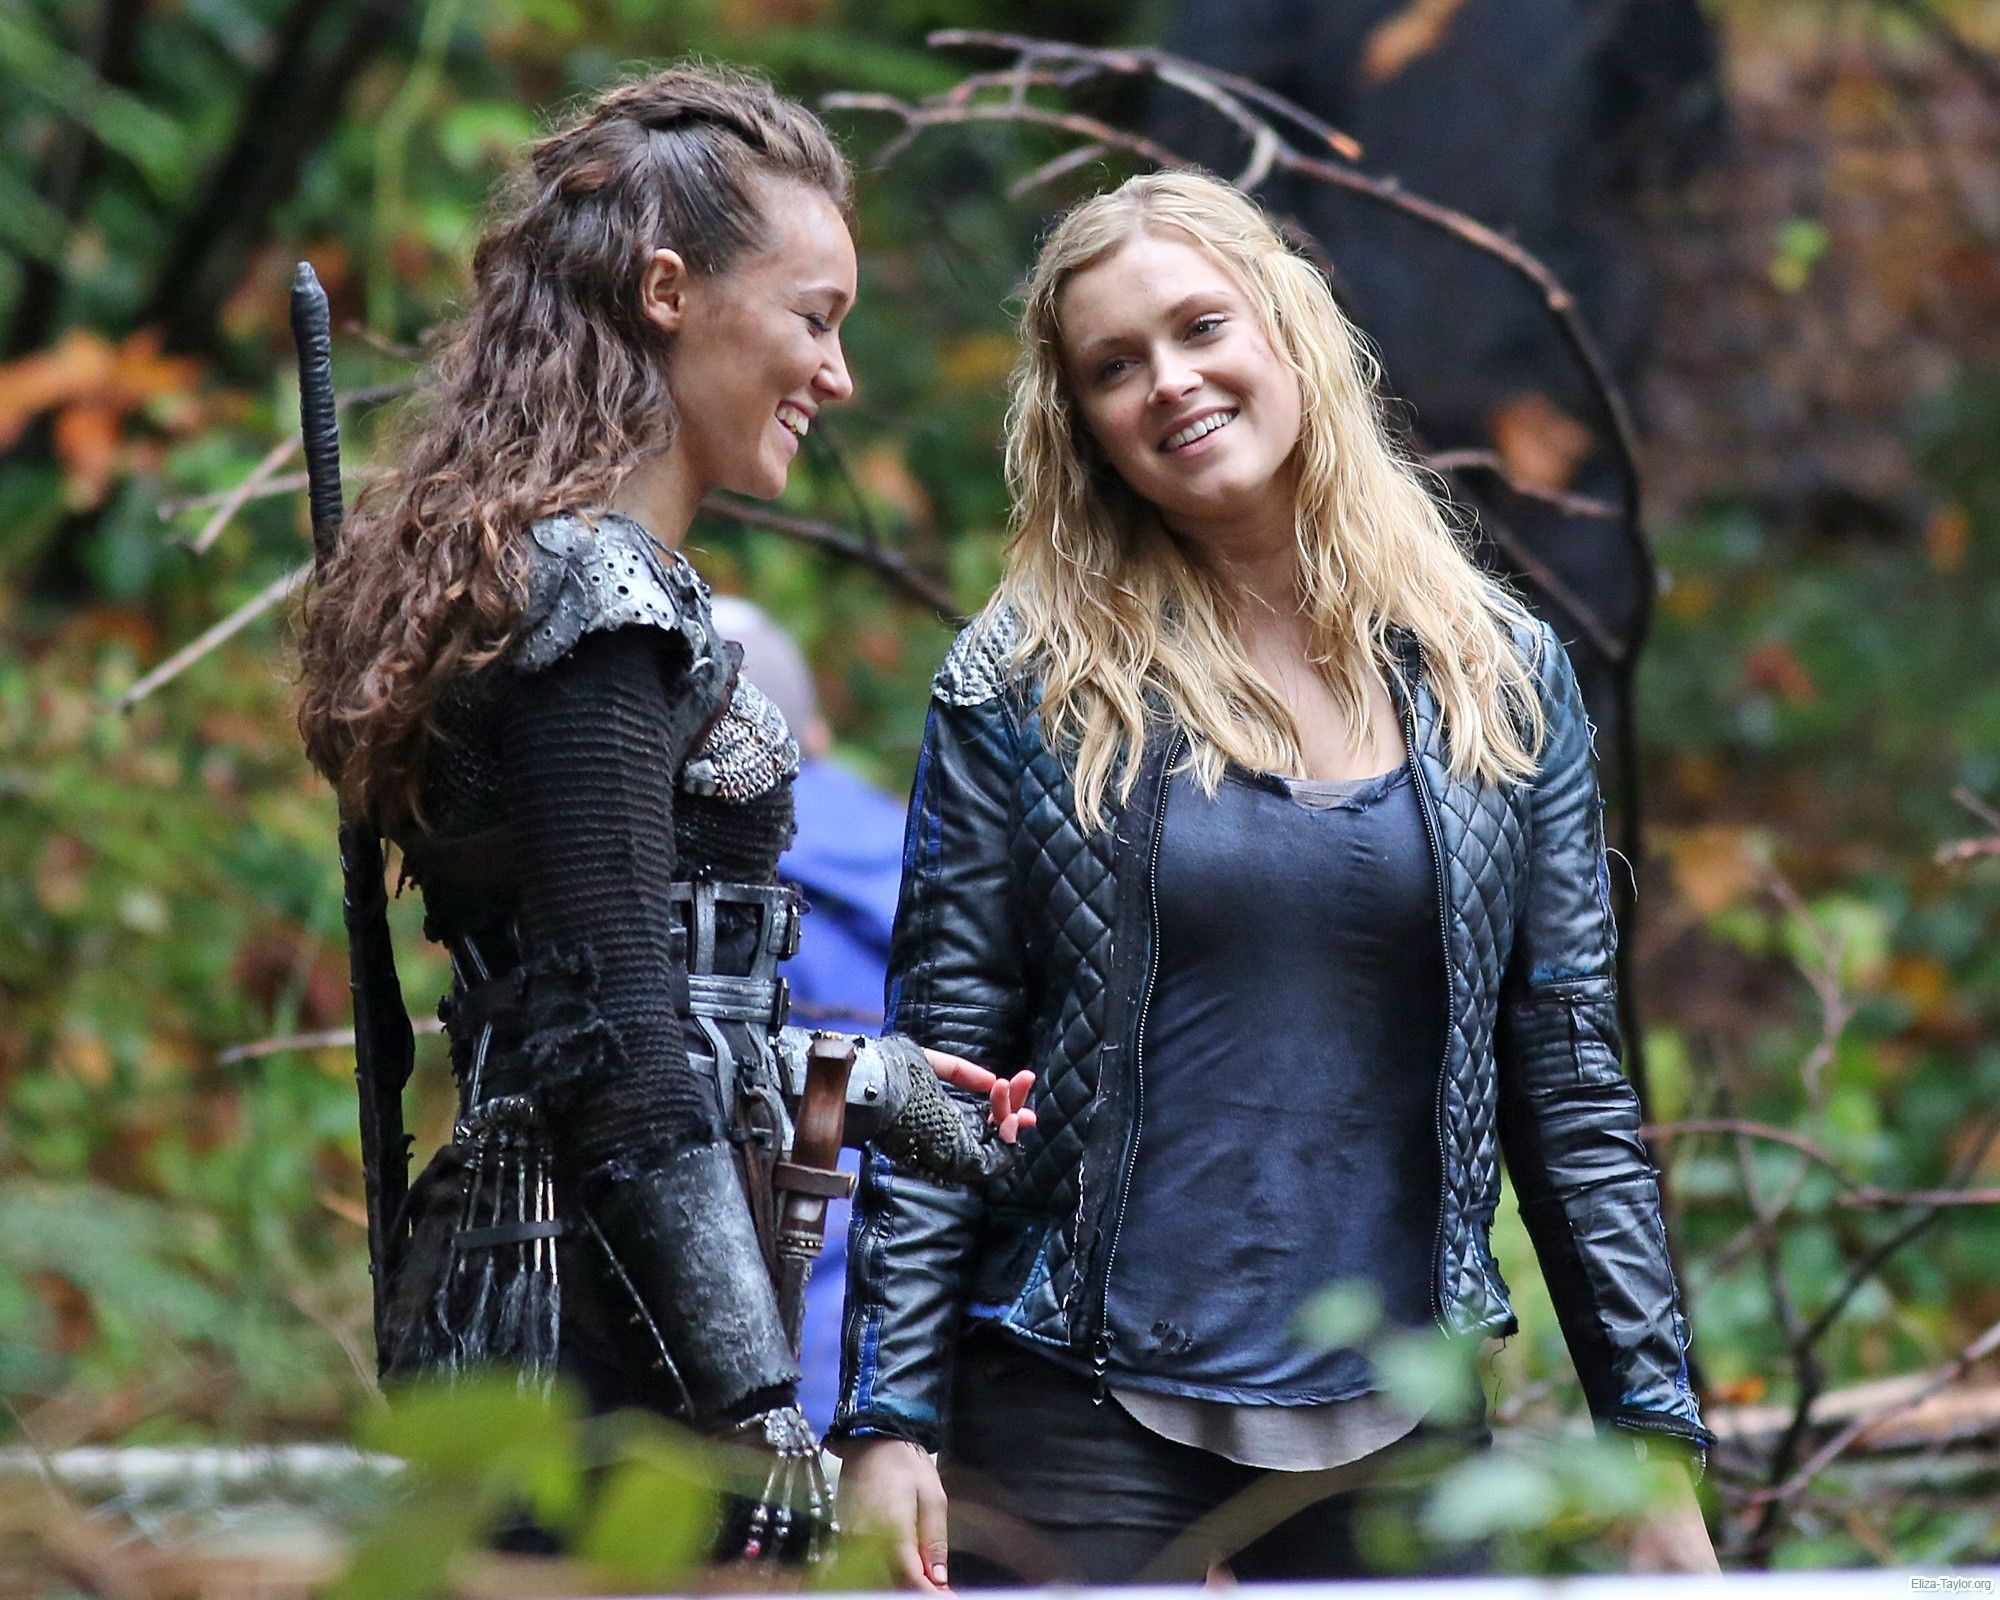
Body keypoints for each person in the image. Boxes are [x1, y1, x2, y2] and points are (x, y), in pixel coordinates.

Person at [831, 171, 1718, 1585]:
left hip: (1404, 1416)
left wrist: (1649, 1443)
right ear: (1082, 425)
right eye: (1114, 367)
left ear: (1288, 331)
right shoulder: (1020, 684)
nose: (1169, 382)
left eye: (1201, 327)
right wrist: (887, 1421)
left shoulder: (1496, 675)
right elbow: (938, 1074)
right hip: (1073, 1406)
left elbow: (1569, 1086)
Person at [292, 65, 1028, 1563]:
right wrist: (756, 1399)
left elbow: (641, 1003)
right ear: (669, 292)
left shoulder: (576, 578)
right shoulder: (594, 595)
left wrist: (870, 1080)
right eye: (813, 318)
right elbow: (614, 1046)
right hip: (589, 1338)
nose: (837, 374)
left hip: (584, 1290)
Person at [710, 596, 909, 1433]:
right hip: (902, 1312)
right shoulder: (921, 850)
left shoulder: (683, 877)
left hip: (730, 1306)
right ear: (817, 732)